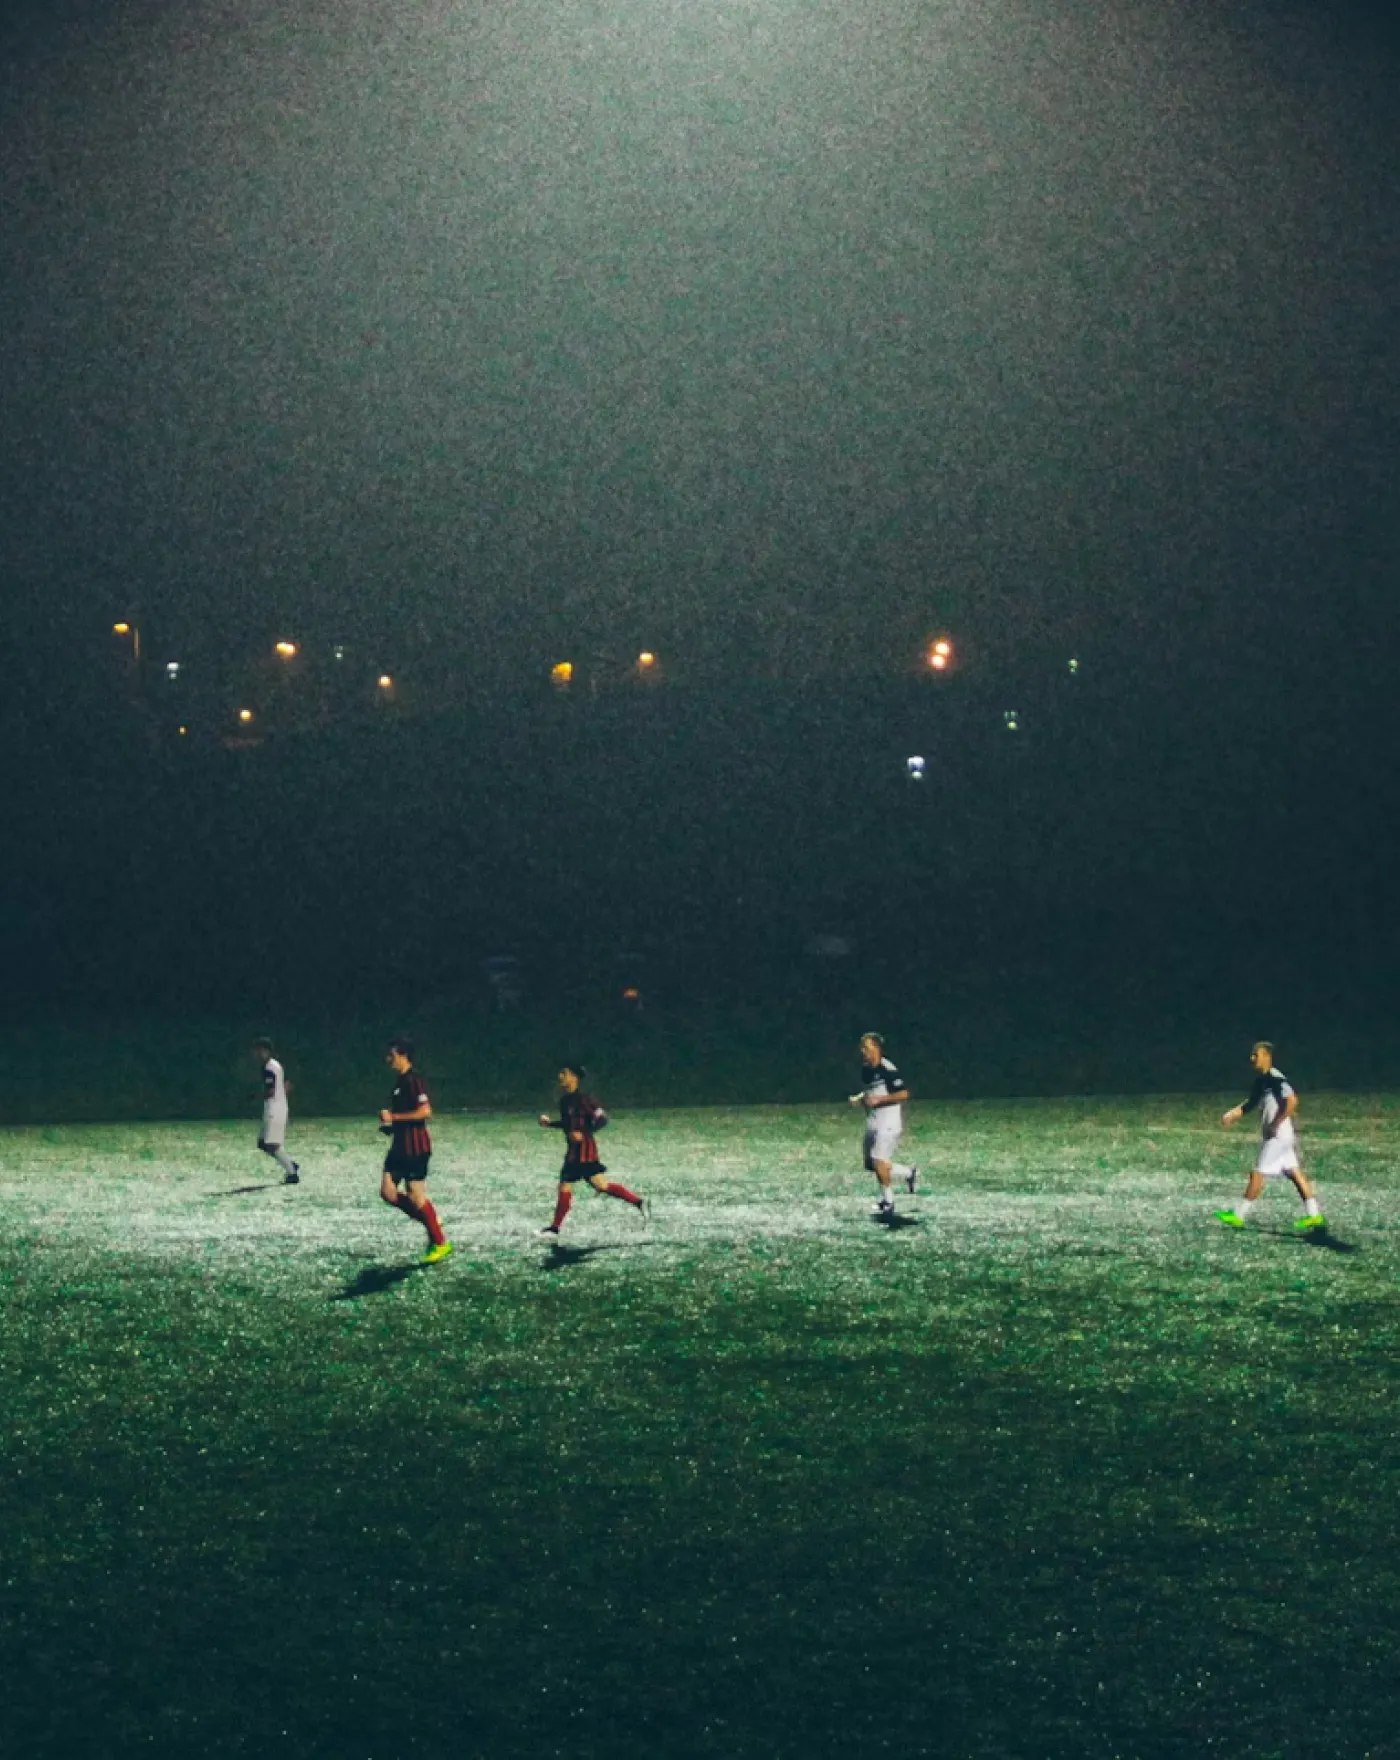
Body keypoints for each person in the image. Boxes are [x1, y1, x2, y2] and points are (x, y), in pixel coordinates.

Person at [1216, 1041, 1326, 1231]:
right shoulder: (1261, 1081)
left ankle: (1239, 1215)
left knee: (1258, 1173)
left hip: (1278, 1136)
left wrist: (1276, 1123)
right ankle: (1314, 1215)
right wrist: (1232, 1115)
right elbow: (1250, 1103)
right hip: (1283, 1136)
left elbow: (1292, 1100)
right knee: (1295, 1173)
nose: (1252, 1058)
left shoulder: (1275, 1078)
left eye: (1256, 1055)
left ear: (1267, 1056)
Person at [538, 1063, 647, 1235]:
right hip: (573, 1152)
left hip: (585, 1152)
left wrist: (584, 1133)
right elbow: (568, 1124)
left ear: (574, 1077)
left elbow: (603, 1119)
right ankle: (555, 1227)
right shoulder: (565, 1101)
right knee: (582, 1186)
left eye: (564, 1073)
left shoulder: (585, 1099)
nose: (560, 1076)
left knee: (588, 1185)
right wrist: (550, 1124)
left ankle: (639, 1202)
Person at [378, 1037, 452, 1263]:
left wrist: (394, 1117)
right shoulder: (400, 1082)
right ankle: (430, 1220)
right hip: (399, 1147)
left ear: (403, 1056)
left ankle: (440, 1242)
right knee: (388, 1192)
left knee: (415, 1195)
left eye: (392, 1055)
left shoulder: (414, 1081)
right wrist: (390, 1126)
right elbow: (404, 1116)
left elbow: (425, 1112)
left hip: (415, 1148)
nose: (388, 1059)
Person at [850, 1032, 919, 1217]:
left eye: (866, 1047)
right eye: (862, 1047)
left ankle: (888, 1202)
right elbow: (871, 1092)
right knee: (871, 1164)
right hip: (874, 1120)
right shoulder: (866, 1068)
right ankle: (907, 1174)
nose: (862, 1051)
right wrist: (860, 1098)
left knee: (880, 1161)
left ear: (877, 1048)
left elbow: (903, 1094)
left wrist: (879, 1100)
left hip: (889, 1121)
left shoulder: (887, 1068)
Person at [253, 1037, 300, 1185]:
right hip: (276, 1107)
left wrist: (255, 1097)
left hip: (273, 1109)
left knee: (271, 1145)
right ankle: (289, 1163)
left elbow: (270, 1091)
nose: (257, 1054)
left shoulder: (269, 1068)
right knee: (263, 1143)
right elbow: (287, 1085)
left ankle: (292, 1173)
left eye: (260, 1051)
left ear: (267, 1051)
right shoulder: (275, 1065)